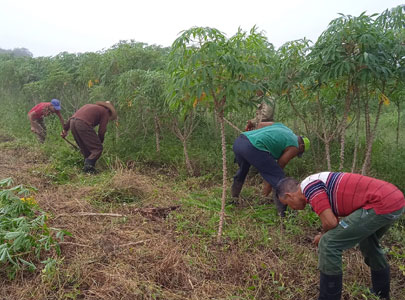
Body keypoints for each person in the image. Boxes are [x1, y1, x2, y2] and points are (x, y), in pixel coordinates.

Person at [276, 172, 405, 300]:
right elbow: (333, 220)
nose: (291, 208)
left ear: (289, 195)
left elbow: (330, 222)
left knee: (328, 244)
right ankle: (381, 294)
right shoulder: (313, 184)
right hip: (395, 199)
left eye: (287, 204)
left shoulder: (310, 187)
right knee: (368, 241)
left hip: (381, 203)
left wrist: (322, 236)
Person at [231, 122, 309, 215]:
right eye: (298, 154)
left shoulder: (283, 127)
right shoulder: (295, 146)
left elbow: (260, 125)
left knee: (243, 171)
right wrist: (268, 186)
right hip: (252, 147)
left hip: (240, 141)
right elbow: (280, 164)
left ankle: (233, 199)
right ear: (301, 147)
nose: (295, 155)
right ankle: (283, 215)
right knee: (280, 180)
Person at [61, 101, 117, 173]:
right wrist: (100, 142)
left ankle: (87, 168)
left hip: (72, 123)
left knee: (85, 149)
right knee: (97, 149)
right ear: (109, 110)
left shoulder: (88, 106)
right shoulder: (105, 112)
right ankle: (88, 169)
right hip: (82, 124)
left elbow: (73, 117)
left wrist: (65, 130)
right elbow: (102, 131)